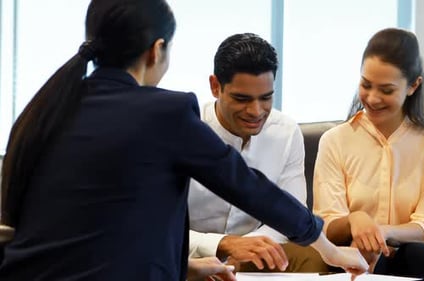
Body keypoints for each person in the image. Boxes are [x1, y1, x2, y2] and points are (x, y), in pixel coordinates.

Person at [0, 0, 368, 280]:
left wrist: (189, 266)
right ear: (156, 50)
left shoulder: (44, 110)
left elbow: (88, 227)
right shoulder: (166, 113)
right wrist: (328, 248)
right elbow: (246, 185)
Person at [313, 27, 424, 279]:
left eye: (386, 90)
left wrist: (379, 232)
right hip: (350, 256)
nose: (373, 98)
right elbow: (326, 226)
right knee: (355, 255)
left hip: (410, 257)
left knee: (418, 254)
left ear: (413, 86)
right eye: (366, 85)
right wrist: (354, 221)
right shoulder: (335, 140)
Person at [189, 33, 327, 272]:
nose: (256, 111)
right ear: (215, 86)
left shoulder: (286, 132)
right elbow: (157, 227)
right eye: (241, 99)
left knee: (311, 257)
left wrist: (250, 246)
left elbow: (290, 212)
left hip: (255, 259)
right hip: (191, 258)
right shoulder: (187, 130)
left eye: (266, 98)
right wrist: (223, 244)